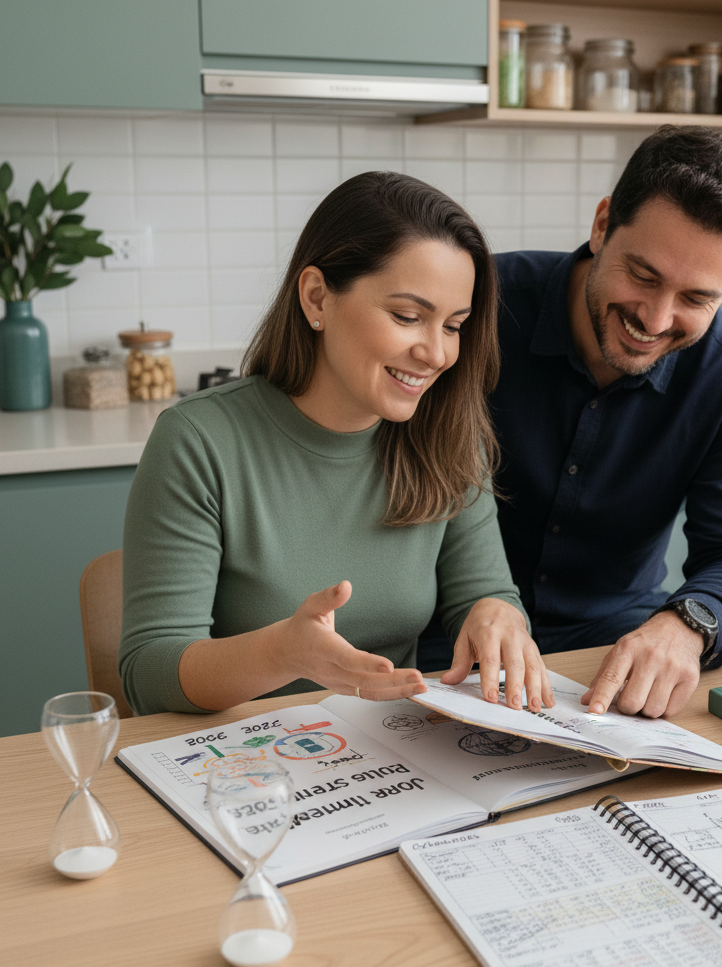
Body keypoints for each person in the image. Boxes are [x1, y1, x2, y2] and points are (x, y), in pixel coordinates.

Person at [119, 172, 552, 717]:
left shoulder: (449, 436)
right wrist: (282, 653)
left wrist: (496, 614)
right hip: (242, 752)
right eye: (408, 317)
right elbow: (148, 673)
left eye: (453, 326)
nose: (437, 354)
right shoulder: (199, 440)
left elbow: (484, 593)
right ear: (316, 297)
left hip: (390, 746)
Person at [419, 126, 722, 720]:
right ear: (602, 225)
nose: (656, 319)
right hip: (446, 644)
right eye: (643, 275)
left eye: (696, 299)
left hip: (610, 651)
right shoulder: (477, 306)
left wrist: (686, 625)